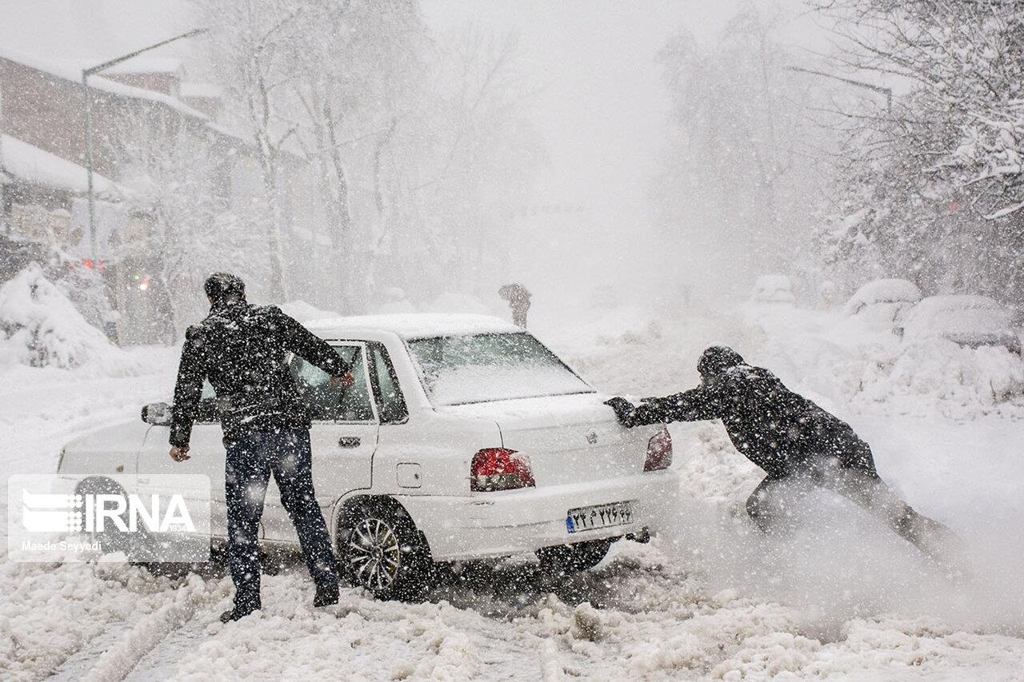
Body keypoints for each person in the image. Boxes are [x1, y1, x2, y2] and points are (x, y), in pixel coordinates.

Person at [605, 346, 959, 563]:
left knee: (891, 515)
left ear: (712, 373)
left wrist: (637, 413)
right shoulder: (750, 381)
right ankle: (795, 562)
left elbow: (688, 404)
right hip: (822, 455)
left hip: (827, 457)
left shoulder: (736, 382)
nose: (703, 386)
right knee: (768, 506)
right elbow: (695, 401)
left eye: (703, 379)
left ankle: (958, 559)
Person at [168, 273, 354, 622]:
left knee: (243, 519)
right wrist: (338, 367)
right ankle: (327, 585)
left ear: (210, 300)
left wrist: (180, 438)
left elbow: (187, 390)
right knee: (304, 506)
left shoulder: (202, 335)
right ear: (243, 293)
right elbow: (308, 344)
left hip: (245, 437)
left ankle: (248, 602)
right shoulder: (269, 318)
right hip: (289, 429)